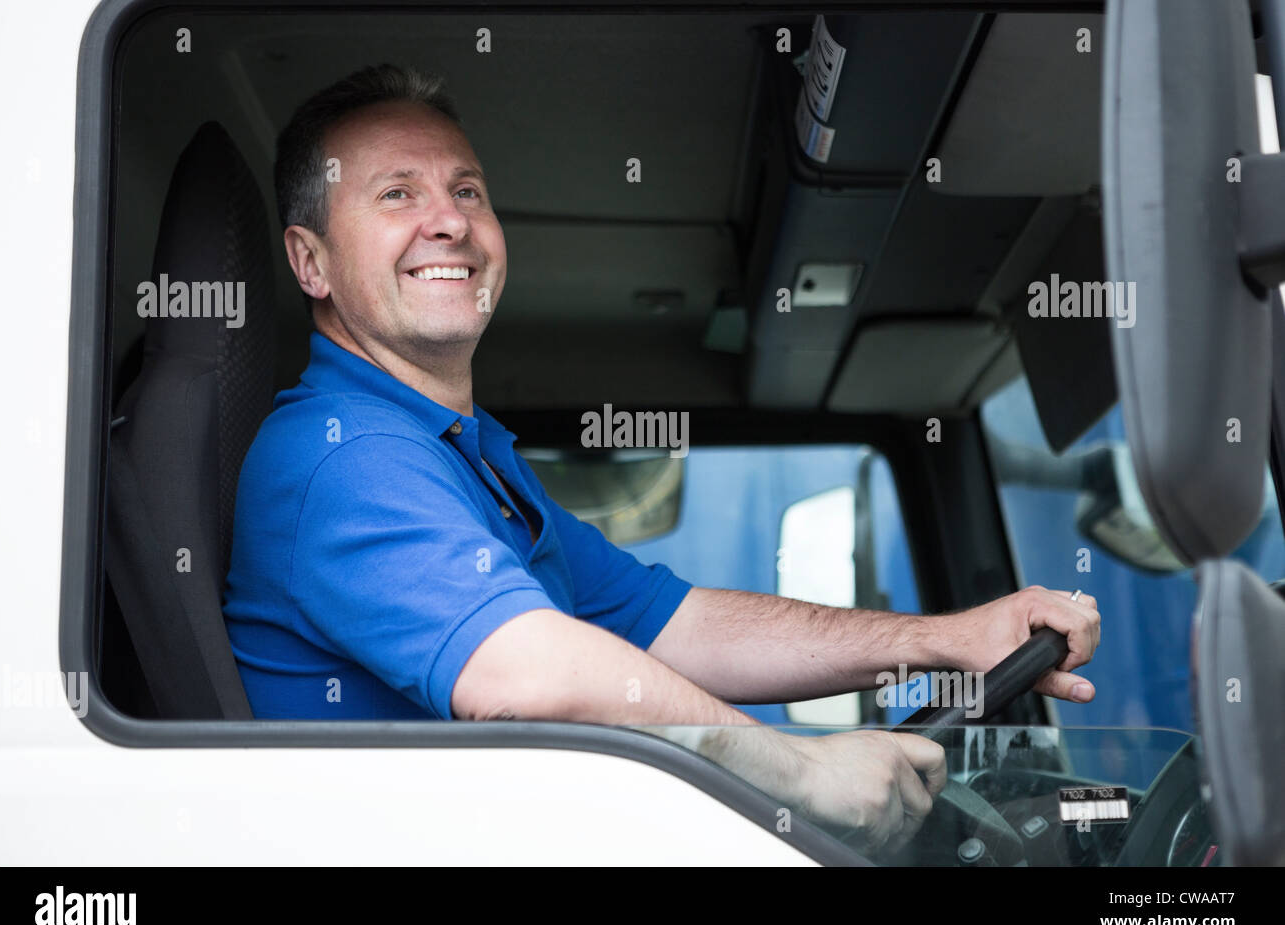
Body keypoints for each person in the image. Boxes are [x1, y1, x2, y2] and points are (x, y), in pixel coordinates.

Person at [223, 64, 1101, 854]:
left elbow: (677, 626)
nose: (449, 220)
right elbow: (530, 678)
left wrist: (949, 641)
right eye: (397, 196)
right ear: (312, 263)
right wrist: (806, 775)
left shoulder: (464, 456)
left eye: (467, 190)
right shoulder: (339, 456)